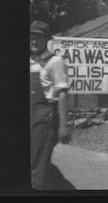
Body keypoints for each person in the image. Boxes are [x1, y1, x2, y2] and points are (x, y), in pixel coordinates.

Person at [30, 20, 72, 189]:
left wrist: (63, 126)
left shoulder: (55, 62)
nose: (34, 41)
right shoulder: (31, 60)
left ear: (47, 39)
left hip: (44, 119)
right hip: (31, 117)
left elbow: (62, 95)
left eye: (38, 38)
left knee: (37, 167)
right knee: (38, 163)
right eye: (31, 37)